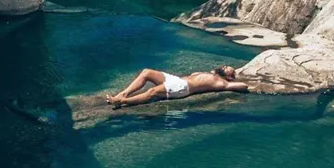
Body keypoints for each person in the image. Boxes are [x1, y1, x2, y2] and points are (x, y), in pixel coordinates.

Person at [106, 65, 249, 108]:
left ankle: (122, 102)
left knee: (152, 91)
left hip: (182, 87)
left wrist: (231, 82)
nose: (227, 67)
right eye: (226, 66)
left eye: (229, 69)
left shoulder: (222, 83)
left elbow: (243, 85)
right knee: (146, 72)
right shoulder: (212, 74)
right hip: (176, 80)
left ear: (230, 76)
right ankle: (123, 94)